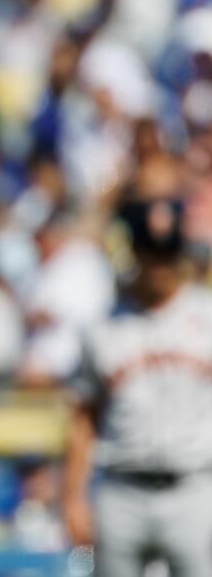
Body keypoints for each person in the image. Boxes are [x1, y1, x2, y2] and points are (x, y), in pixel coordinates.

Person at [62, 197, 212, 577]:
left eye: (167, 253)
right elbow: (84, 417)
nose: (159, 265)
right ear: (134, 252)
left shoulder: (207, 316)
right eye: (150, 252)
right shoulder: (102, 326)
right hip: (122, 489)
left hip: (194, 486)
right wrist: (73, 497)